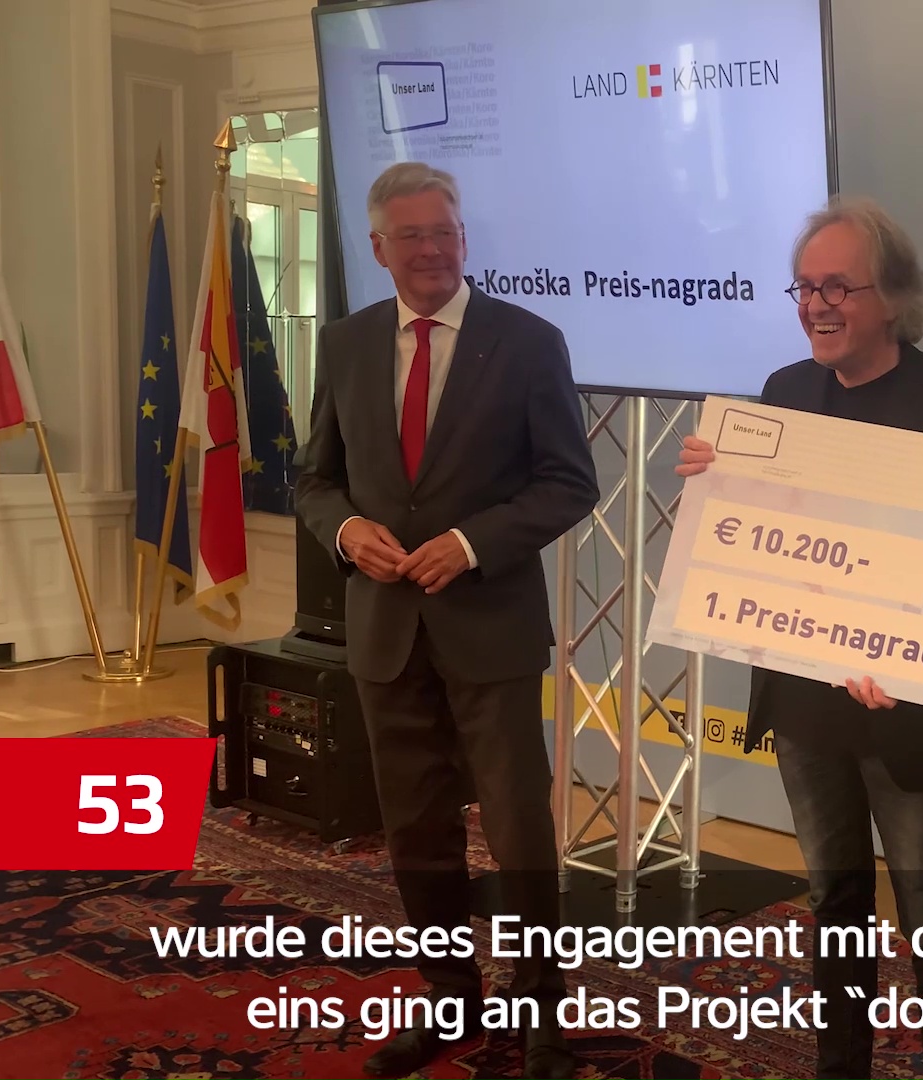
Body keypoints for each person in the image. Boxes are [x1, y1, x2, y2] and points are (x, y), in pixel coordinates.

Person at [676, 195, 923, 1080]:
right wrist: (716, 485)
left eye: (838, 288)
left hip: (909, 709)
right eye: (805, 287)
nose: (817, 305)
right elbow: (764, 538)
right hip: (807, 706)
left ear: (893, 297)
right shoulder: (783, 396)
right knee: (835, 902)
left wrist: (896, 648)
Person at [295, 161, 598, 1080]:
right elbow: (314, 480)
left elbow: (568, 483)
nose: (431, 250)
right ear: (378, 248)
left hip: (491, 630)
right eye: (412, 236)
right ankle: (450, 995)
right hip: (385, 633)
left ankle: (541, 1014)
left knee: (517, 827)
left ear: (463, 239)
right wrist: (345, 531)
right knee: (415, 827)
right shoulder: (346, 345)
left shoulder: (530, 341)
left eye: (444, 233)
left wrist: (470, 544)